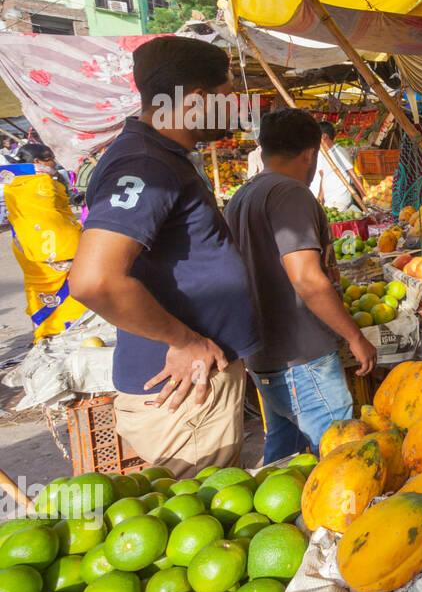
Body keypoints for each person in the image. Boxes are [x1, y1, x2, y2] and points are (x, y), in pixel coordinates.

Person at [69, 36, 259, 476]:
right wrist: (184, 341)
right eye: (227, 97)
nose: (234, 108)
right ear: (195, 100)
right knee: (209, 515)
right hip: (186, 388)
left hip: (197, 380)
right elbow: (93, 279)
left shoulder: (159, 157)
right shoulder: (145, 165)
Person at [224, 109, 377, 464]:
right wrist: (355, 336)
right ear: (310, 154)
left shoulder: (241, 197)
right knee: (339, 456)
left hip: (265, 353)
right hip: (302, 355)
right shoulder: (289, 193)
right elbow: (307, 279)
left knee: (284, 451)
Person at [1, 142, 88, 339]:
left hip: (24, 243)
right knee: (72, 283)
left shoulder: (13, 184)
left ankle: (45, 329)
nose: (53, 163)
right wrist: (79, 238)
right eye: (49, 159)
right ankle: (68, 325)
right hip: (53, 245)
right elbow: (50, 218)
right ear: (37, 161)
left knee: (38, 288)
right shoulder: (42, 183)